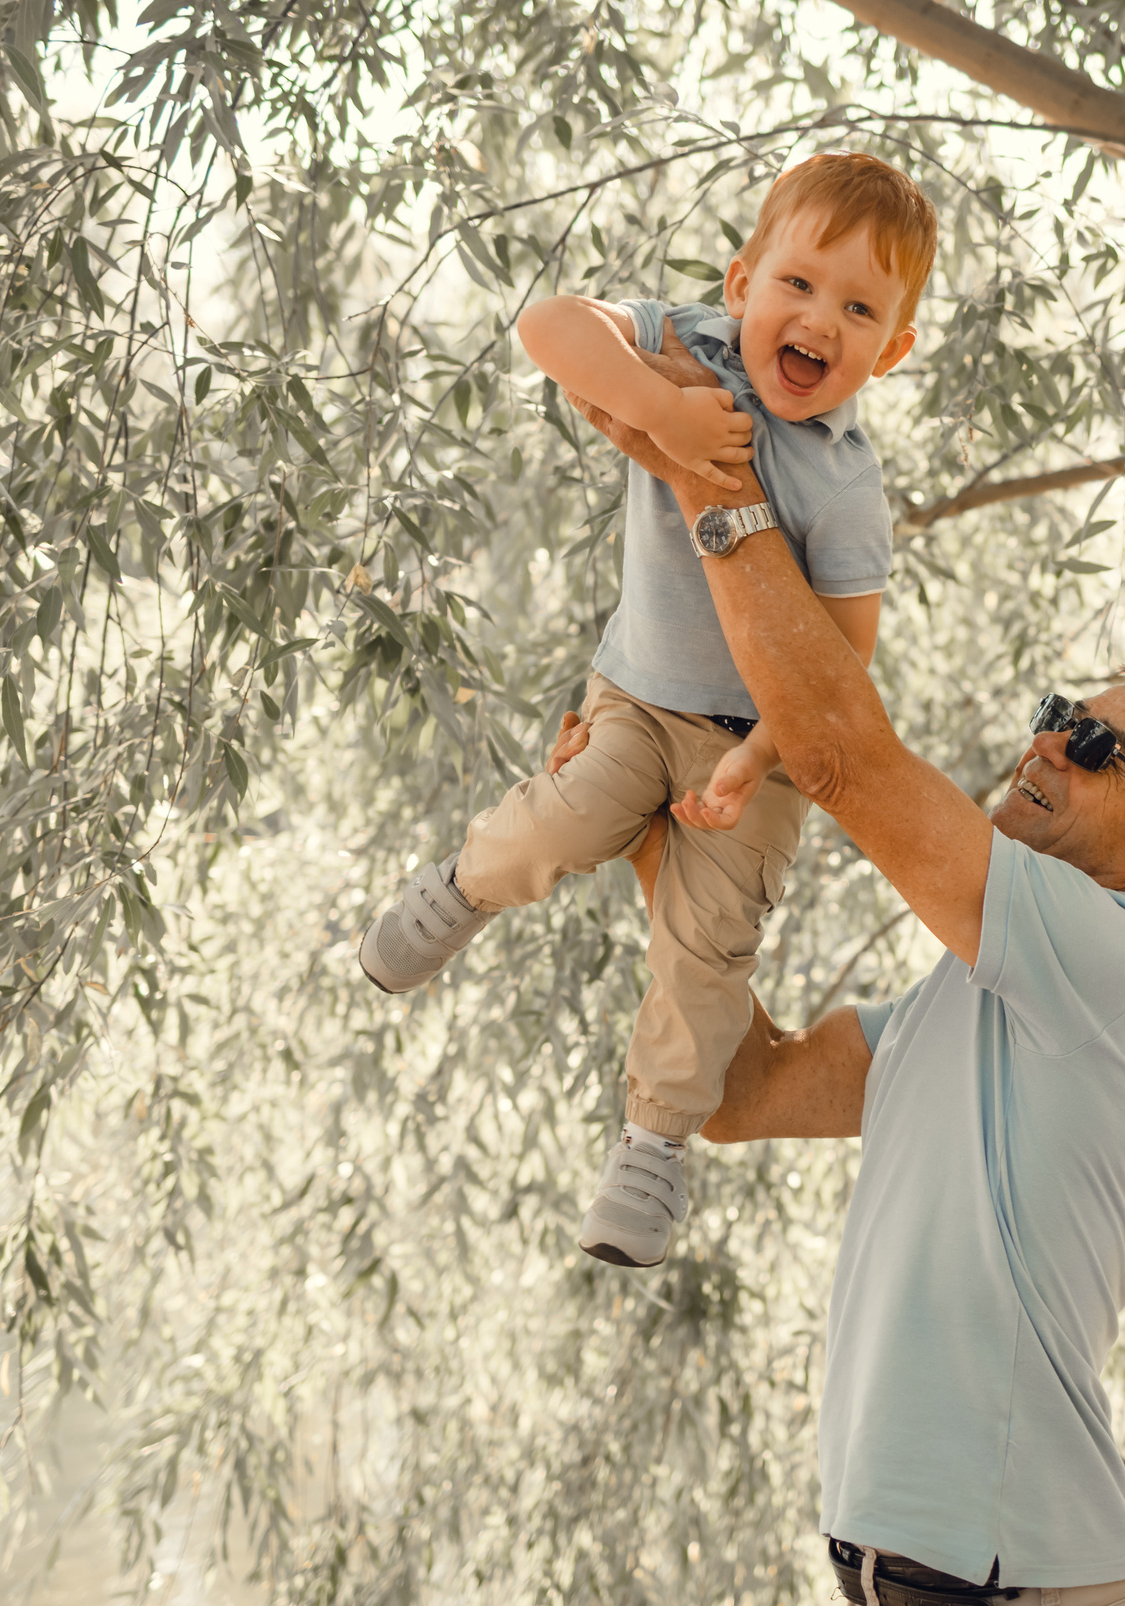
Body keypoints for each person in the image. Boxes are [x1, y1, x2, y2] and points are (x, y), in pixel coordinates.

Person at [557, 337, 1125, 1606]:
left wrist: (713, 483)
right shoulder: (982, 993)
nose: (1047, 743)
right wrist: (657, 819)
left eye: (1097, 744)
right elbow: (746, 1091)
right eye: (1063, 714)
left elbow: (837, 753)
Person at [356, 154, 939, 1271]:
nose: (820, 319)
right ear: (740, 284)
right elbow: (549, 324)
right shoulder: (692, 348)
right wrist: (657, 408)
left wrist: (759, 757)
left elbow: (843, 664)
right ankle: (464, 885)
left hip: (750, 753)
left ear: (892, 350)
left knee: (707, 952)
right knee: (567, 818)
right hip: (635, 696)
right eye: (799, 285)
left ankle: (653, 1146)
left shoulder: (845, 483)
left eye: (860, 309)